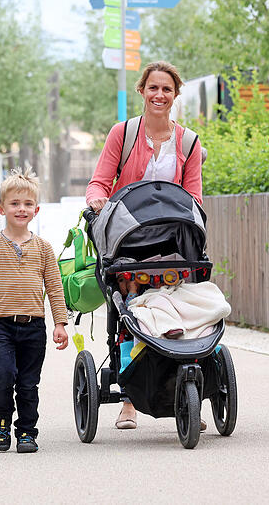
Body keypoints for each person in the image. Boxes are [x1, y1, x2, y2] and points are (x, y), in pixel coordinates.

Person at [86, 60, 204, 430]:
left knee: (183, 311)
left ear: (175, 94)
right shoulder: (122, 134)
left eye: (166, 89)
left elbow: (195, 195)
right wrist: (95, 203)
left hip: (172, 240)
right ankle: (130, 400)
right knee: (129, 314)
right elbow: (100, 182)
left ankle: (190, 387)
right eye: (153, 87)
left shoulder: (188, 142)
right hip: (129, 240)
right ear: (142, 91)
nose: (159, 95)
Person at [0, 168, 68, 454]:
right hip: (1, 325)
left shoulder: (43, 248)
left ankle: (27, 431)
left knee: (28, 384)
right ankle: (2, 421)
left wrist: (60, 323)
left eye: (27, 204)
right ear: (2, 208)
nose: (21, 209)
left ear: (36, 210)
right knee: (3, 376)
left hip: (34, 328)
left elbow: (54, 286)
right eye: (15, 203)